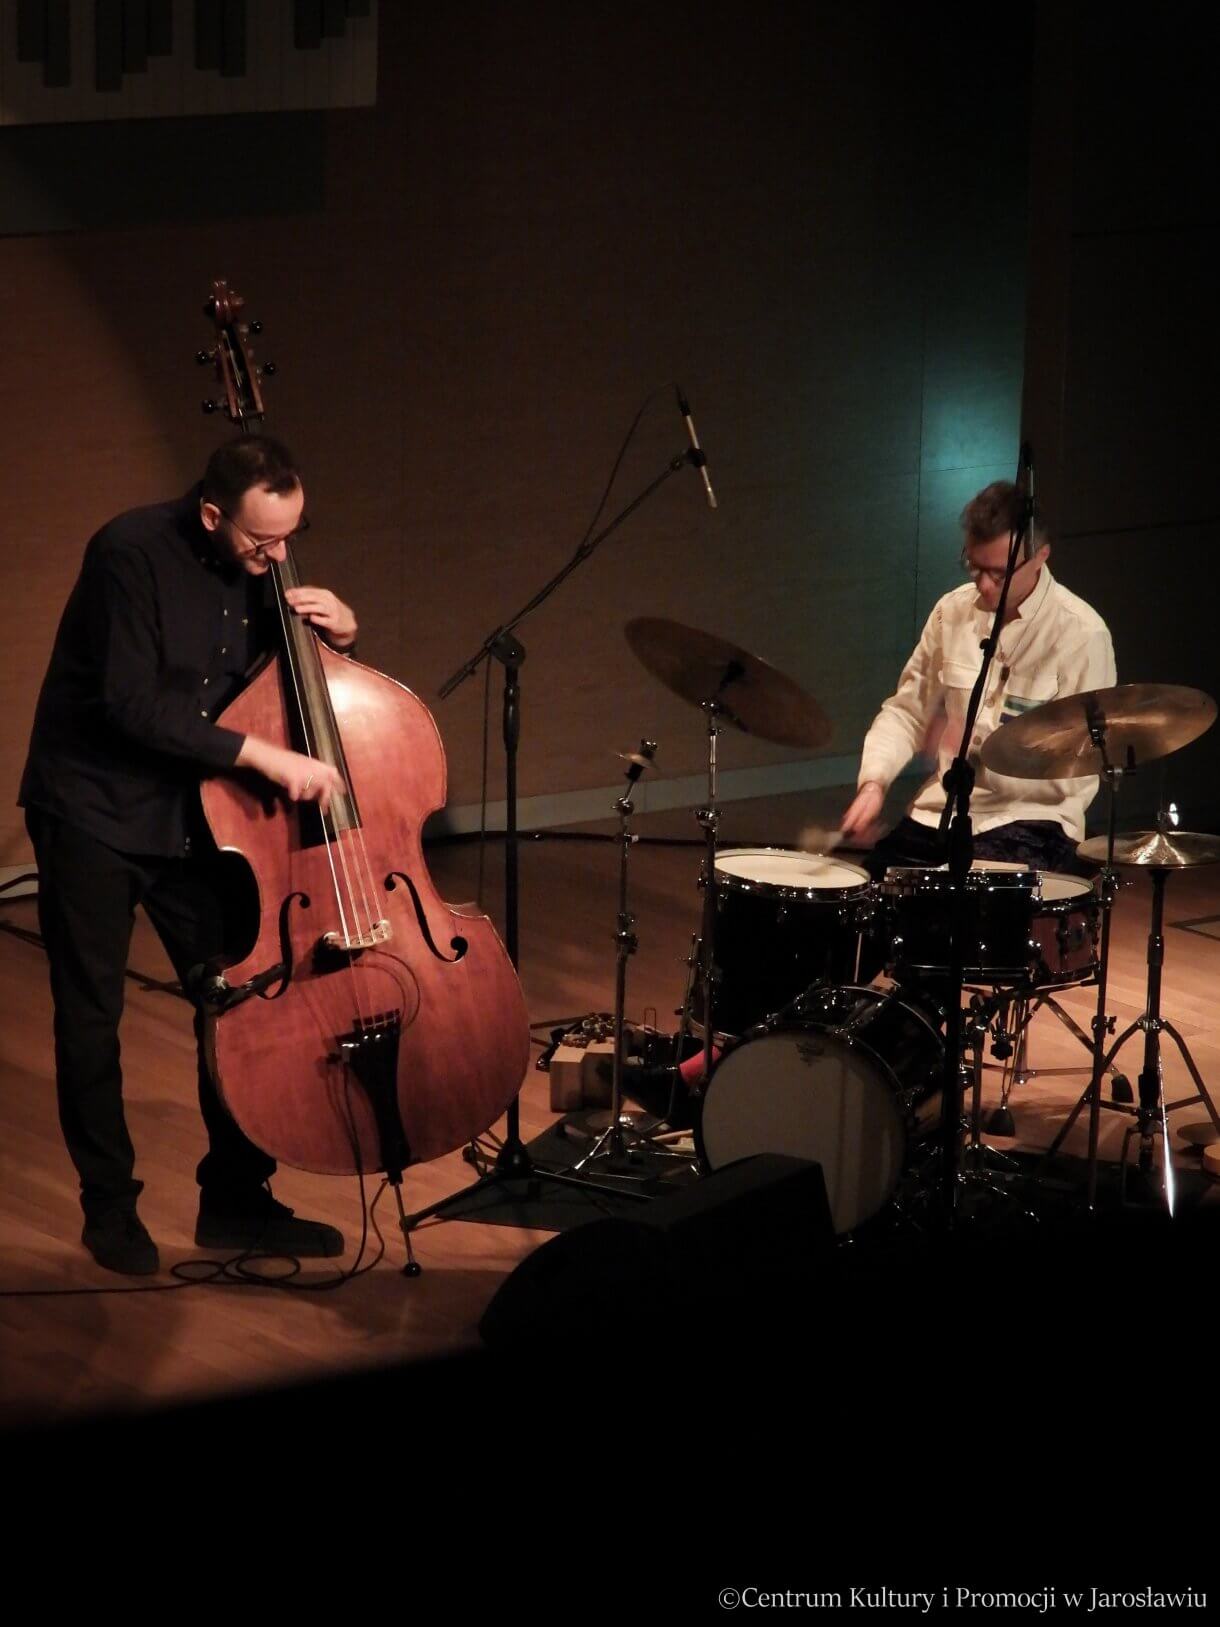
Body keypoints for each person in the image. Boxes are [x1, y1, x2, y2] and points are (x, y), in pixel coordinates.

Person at [20, 435, 356, 1274]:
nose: (277, 557)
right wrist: (265, 757)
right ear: (213, 513)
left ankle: (236, 1201)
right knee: (92, 1016)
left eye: (291, 535)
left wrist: (342, 635)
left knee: (241, 1001)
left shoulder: (262, 571)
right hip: (94, 808)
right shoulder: (128, 553)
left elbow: (284, 690)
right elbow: (132, 707)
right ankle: (109, 1209)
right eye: (261, 541)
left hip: (195, 815)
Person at [841, 480, 1116, 876]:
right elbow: (906, 711)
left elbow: (1078, 768)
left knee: (962, 909)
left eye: (999, 573)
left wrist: (981, 755)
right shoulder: (949, 612)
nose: (983, 585)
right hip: (940, 815)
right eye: (974, 566)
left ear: (1041, 556)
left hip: (1031, 821)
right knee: (864, 891)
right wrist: (874, 784)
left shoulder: (1081, 634)